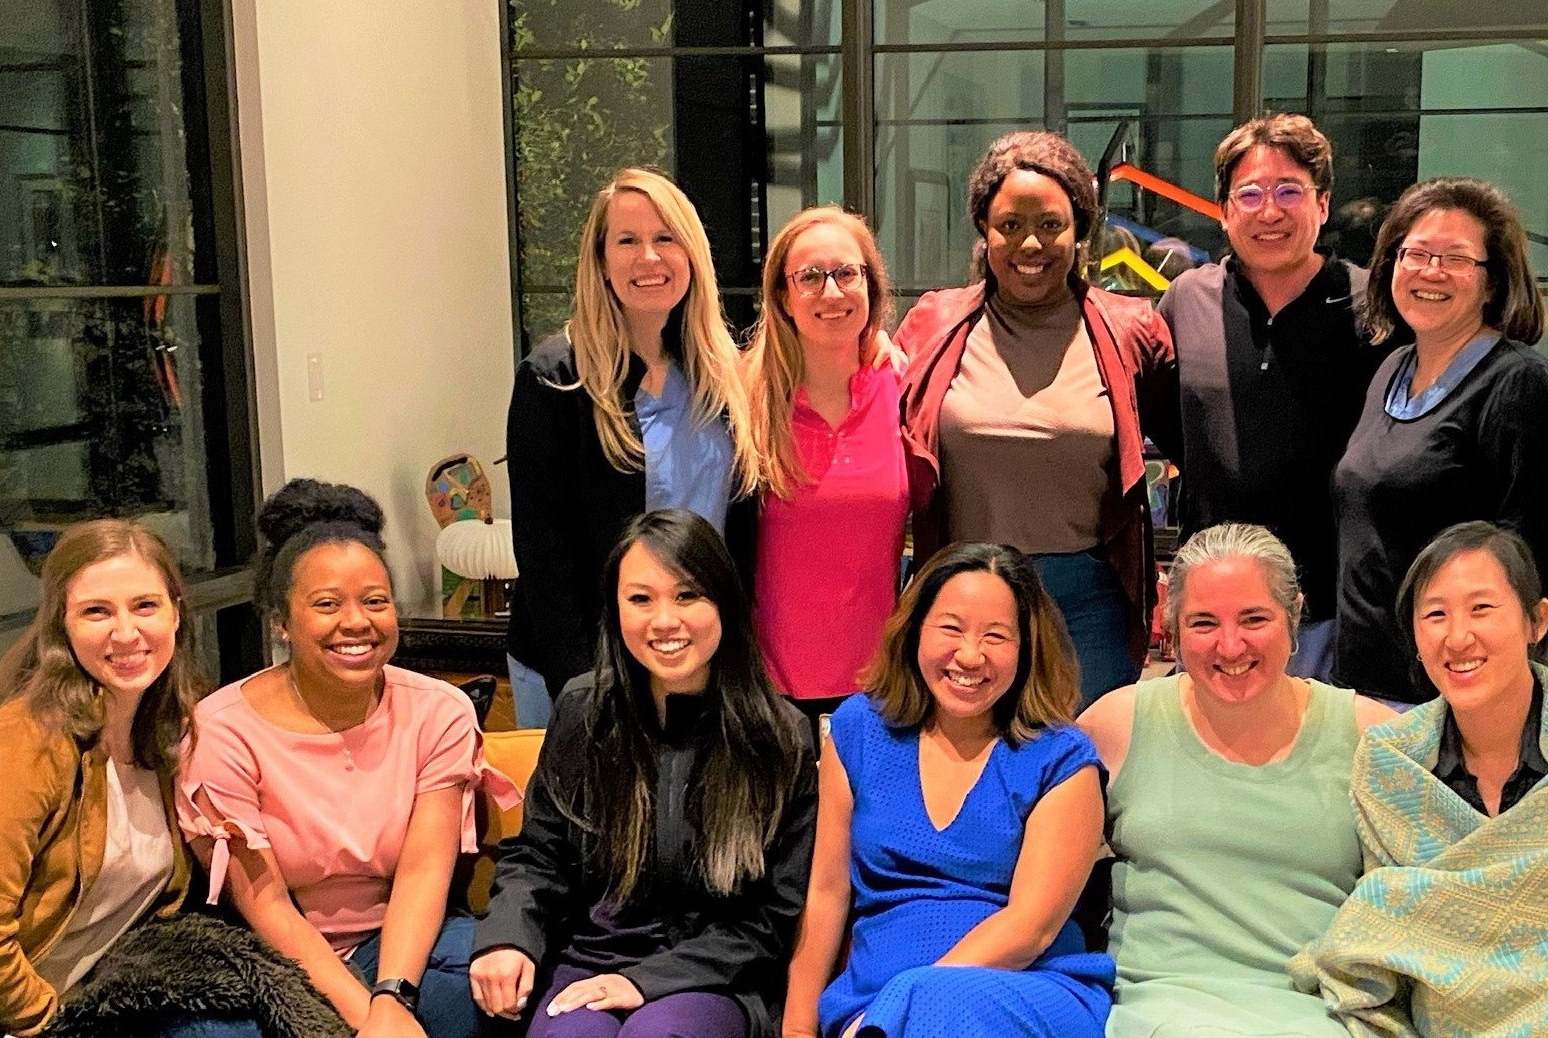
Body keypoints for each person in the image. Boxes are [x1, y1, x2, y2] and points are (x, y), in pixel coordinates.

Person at [1289, 522, 1548, 1035]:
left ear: (1537, 621)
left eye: (1481, 608)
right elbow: (1394, 919)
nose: (1458, 637)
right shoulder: (1390, 762)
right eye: (1435, 615)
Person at [177, 479, 518, 1038]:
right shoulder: (221, 732)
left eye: (375, 601)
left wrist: (392, 998)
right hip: (270, 955)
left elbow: (424, 870)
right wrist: (368, 1019)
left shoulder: (439, 711)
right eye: (327, 604)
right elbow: (266, 906)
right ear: (280, 621)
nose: (357, 622)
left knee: (492, 992)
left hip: (402, 940)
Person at [471, 508, 816, 1038]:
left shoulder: (780, 735)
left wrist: (646, 981)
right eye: (640, 599)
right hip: (589, 957)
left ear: (724, 601)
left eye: (687, 595)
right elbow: (539, 854)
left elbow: (774, 916)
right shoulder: (583, 710)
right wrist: (507, 936)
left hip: (713, 974)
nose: (664, 620)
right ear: (615, 609)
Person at [896, 130, 1182, 708]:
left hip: (1086, 602)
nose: (1031, 243)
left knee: (1086, 753)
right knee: (971, 755)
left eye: (1051, 224)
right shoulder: (932, 325)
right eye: (1010, 224)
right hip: (962, 594)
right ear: (985, 229)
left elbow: (1194, 445)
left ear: (1080, 230)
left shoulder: (1132, 330)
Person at [1078, 523, 1397, 1038]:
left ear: (1294, 617)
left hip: (1324, 1012)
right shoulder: (1116, 725)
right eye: (1204, 623)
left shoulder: (1370, 735)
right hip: (1155, 1006)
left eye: (1254, 619)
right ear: (1172, 627)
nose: (1230, 646)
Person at [784, 542, 1114, 1038]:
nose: (970, 655)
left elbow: (1031, 928)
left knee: (938, 1008)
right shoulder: (858, 730)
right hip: (874, 996)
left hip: (1028, 987)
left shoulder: (1061, 757)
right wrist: (796, 1029)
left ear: (1026, 648)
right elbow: (827, 895)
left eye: (996, 636)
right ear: (915, 628)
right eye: (951, 628)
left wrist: (907, 999)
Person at [0, 520, 258, 1038]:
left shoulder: (173, 730)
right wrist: (48, 1022)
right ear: (62, 626)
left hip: (93, 998)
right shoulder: (27, 737)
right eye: (97, 611)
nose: (126, 633)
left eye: (145, 606)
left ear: (175, 613)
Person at [506, 166, 760, 728]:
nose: (649, 257)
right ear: (600, 261)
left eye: (665, 238)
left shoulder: (722, 373)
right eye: (627, 241)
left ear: (691, 254)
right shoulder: (555, 379)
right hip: (587, 664)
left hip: (695, 657)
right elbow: (544, 553)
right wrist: (582, 690)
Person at [1156, 114, 1387, 680]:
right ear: (1224, 210)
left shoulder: (1372, 307)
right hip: (1214, 607)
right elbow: (1166, 421)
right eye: (1250, 194)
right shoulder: (1187, 301)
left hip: (1332, 608)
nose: (1269, 211)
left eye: (1289, 192)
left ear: (1323, 204)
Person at [1330, 176, 1548, 703]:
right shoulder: (1392, 368)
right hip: (1362, 686)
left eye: (1456, 259)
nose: (1431, 272)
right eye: (1416, 254)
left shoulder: (1519, 384)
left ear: (1492, 281)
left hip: (1449, 695)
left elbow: (1525, 564)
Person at [743, 207, 908, 733]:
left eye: (846, 273)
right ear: (783, 297)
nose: (831, 292)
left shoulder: (901, 388)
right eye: (810, 277)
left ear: (871, 286)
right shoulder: (745, 400)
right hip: (766, 691)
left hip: (883, 686)